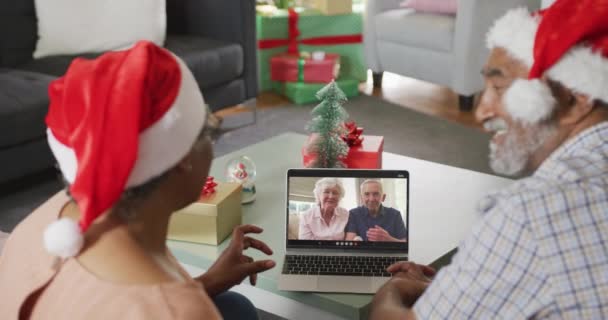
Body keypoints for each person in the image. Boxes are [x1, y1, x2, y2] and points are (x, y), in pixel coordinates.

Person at [0, 41, 275, 319]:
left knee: (236, 306)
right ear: (183, 158)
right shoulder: (181, 312)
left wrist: (208, 282)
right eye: (208, 130)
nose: (214, 138)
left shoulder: (43, 220)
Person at [371, 0, 608, 318]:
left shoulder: (530, 213)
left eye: (499, 88)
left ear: (576, 98)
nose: (482, 112)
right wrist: (457, 287)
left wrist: (389, 293)